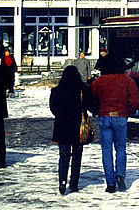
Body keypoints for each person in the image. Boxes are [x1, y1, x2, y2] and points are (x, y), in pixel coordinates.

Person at [91, 57, 139, 193]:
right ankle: (120, 175)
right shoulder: (128, 81)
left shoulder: (99, 81)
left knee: (106, 150)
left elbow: (93, 96)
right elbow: (135, 100)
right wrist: (128, 111)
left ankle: (110, 183)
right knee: (121, 147)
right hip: (120, 117)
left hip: (105, 117)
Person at [50, 65, 92, 194]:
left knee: (63, 156)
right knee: (77, 156)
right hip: (77, 127)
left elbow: (53, 109)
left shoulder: (56, 91)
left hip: (62, 128)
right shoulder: (82, 90)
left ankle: (62, 182)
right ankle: (74, 183)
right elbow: (89, 105)